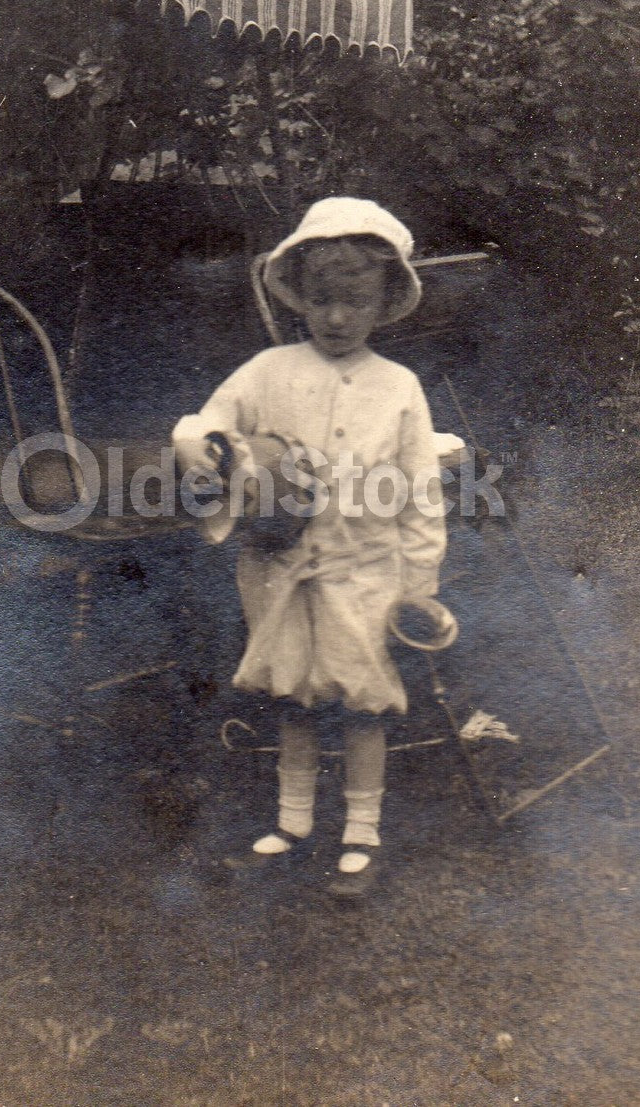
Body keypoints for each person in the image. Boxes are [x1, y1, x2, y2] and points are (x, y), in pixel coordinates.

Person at [173, 197, 447, 898]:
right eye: (323, 299)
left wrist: (419, 582)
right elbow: (211, 421)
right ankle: (292, 822)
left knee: (362, 703)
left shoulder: (399, 388)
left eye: (353, 301)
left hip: (365, 573)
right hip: (282, 567)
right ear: (300, 298)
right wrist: (207, 447)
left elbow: (420, 493)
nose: (335, 317)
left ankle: (361, 833)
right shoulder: (268, 369)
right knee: (291, 695)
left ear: (382, 301)